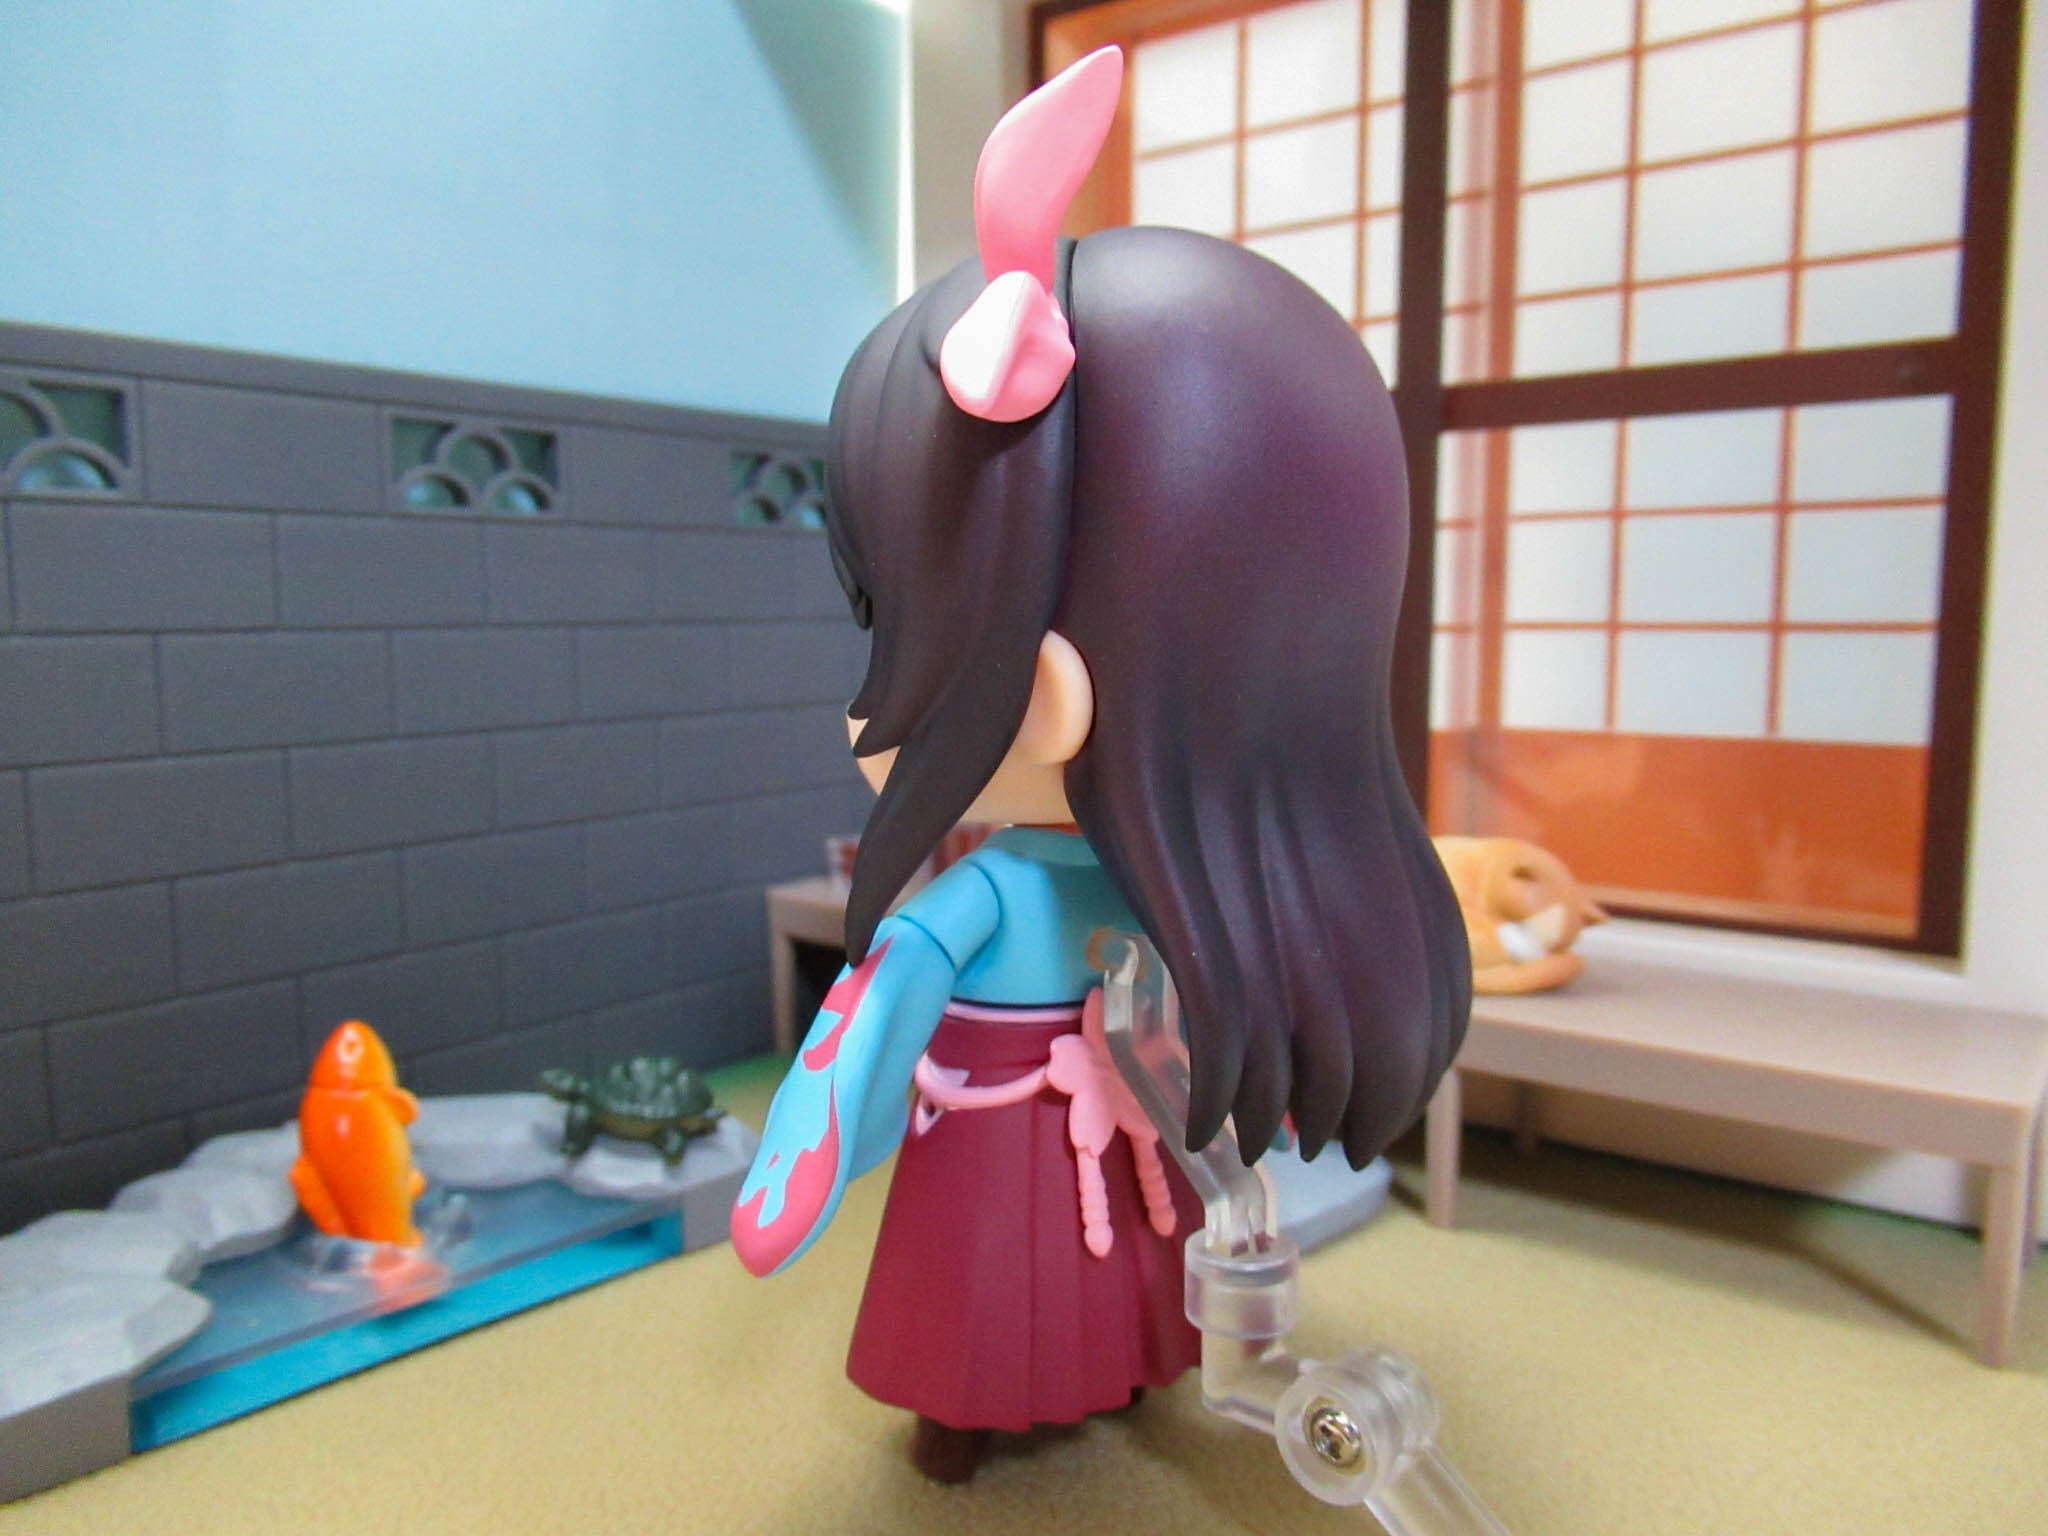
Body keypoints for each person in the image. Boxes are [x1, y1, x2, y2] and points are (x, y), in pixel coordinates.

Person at [731, 46, 1469, 1483]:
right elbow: (881, 1010)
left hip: (1124, 1122)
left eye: (900, 622)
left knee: (1127, 1281)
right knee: (993, 1297)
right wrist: (808, 1143)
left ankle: (1125, 1367)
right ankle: (969, 1414)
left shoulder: (1164, 885)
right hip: (1006, 1135)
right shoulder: (1008, 890)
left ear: (1049, 691)